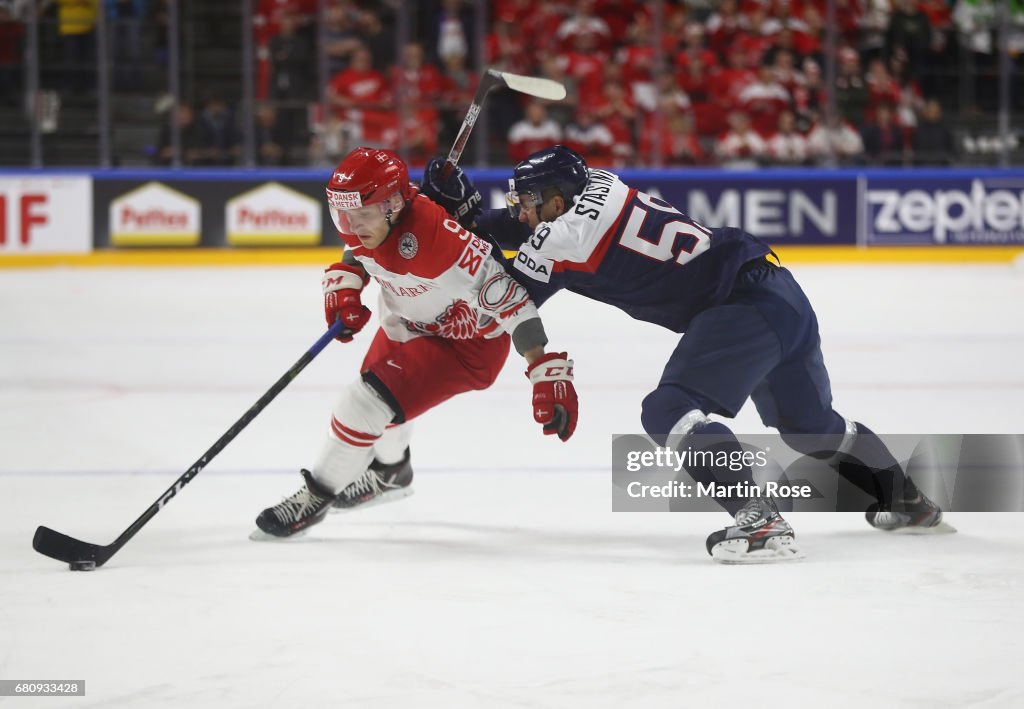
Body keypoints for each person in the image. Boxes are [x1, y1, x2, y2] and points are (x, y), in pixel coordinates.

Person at [421, 145, 953, 564]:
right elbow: (518, 228)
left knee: (668, 410)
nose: (522, 209)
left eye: (530, 201)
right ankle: (905, 498)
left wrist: (451, 220)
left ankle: (760, 519)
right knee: (812, 428)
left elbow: (507, 300)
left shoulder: (560, 238)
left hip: (738, 307)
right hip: (778, 292)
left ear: (557, 200)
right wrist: (468, 217)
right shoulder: (600, 186)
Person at [254, 147, 579, 538]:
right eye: (344, 214)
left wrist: (542, 368)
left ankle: (313, 498)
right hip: (407, 320)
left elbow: (512, 302)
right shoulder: (366, 216)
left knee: (364, 403)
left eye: (362, 214)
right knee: (381, 407)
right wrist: (346, 287)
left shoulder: (441, 241)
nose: (352, 226)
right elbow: (357, 251)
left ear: (393, 204)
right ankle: (391, 474)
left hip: (466, 344)